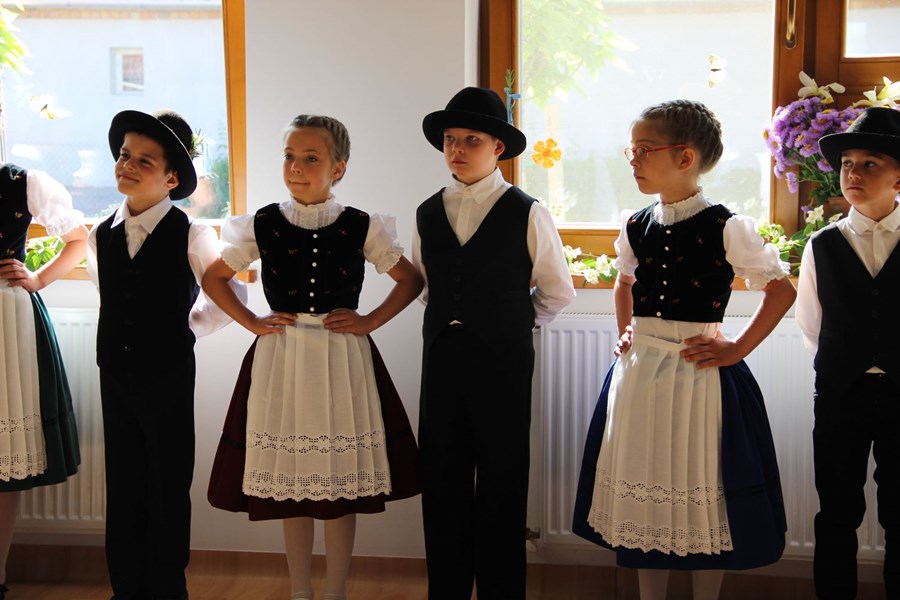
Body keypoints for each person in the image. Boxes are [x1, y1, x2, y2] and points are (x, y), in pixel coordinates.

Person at [571, 99, 796, 600]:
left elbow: (781, 291)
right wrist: (626, 331)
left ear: (685, 157)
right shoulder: (636, 223)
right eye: (631, 150)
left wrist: (736, 349)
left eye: (644, 150)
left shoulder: (726, 226)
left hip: (699, 377)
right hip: (640, 374)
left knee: (700, 488)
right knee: (645, 486)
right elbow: (625, 282)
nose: (633, 159)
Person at [204, 114, 422, 600]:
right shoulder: (262, 223)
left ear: (338, 167)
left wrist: (370, 321)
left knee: (338, 486)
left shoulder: (360, 225)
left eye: (310, 158)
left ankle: (336, 591)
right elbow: (213, 278)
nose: (296, 168)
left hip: (342, 360)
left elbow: (411, 280)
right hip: (281, 360)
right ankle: (300, 591)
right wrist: (252, 321)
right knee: (293, 481)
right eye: (289, 157)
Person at [413, 86, 575, 599]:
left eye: (472, 140)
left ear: (498, 147)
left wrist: (510, 326)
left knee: (502, 482)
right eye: (450, 139)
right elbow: (428, 287)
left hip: (503, 364)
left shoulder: (527, 212)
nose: (457, 149)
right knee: (442, 479)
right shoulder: (427, 212)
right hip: (443, 360)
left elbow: (556, 291)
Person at [86, 109, 244, 600]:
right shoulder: (100, 234)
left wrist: (184, 328)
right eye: (124, 155)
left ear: (171, 178)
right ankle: (126, 589)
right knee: (124, 483)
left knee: (167, 483)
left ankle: (167, 588)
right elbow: (110, 294)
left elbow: (227, 297)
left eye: (144, 160)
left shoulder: (192, 234)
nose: (127, 165)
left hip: (168, 376)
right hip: (115, 373)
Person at [796, 105, 900, 600]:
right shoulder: (821, 245)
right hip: (841, 396)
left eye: (870, 163)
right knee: (837, 512)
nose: (854, 173)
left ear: (899, 177)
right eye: (847, 164)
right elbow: (812, 326)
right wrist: (849, 366)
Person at [0, 165, 87, 599]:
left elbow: (78, 240)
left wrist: (37, 279)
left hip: (5, 322)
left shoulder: (22, 183)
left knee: (4, 459)